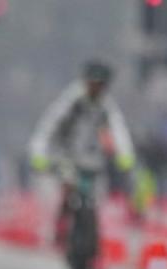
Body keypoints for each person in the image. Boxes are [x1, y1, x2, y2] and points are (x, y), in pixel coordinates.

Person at [29, 60, 135, 246]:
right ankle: (61, 225)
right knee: (69, 185)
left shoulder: (106, 106)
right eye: (93, 83)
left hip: (93, 160)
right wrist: (38, 153)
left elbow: (119, 130)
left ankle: (94, 249)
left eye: (100, 85)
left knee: (95, 200)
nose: (96, 88)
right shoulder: (72, 101)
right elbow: (47, 127)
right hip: (67, 156)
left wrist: (125, 154)